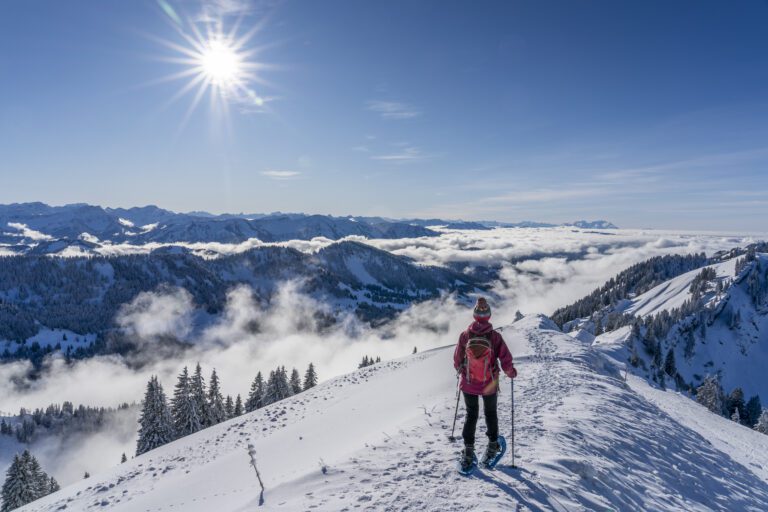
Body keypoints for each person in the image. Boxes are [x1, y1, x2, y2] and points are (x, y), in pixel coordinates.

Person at [453, 297, 516, 471]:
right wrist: (511, 373)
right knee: (490, 413)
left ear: (474, 315)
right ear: (488, 316)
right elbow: (505, 360)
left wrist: (462, 372)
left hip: (468, 383)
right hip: (489, 383)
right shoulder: (495, 337)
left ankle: (468, 450)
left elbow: (457, 360)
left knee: (471, 415)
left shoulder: (465, 335)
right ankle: (493, 445)